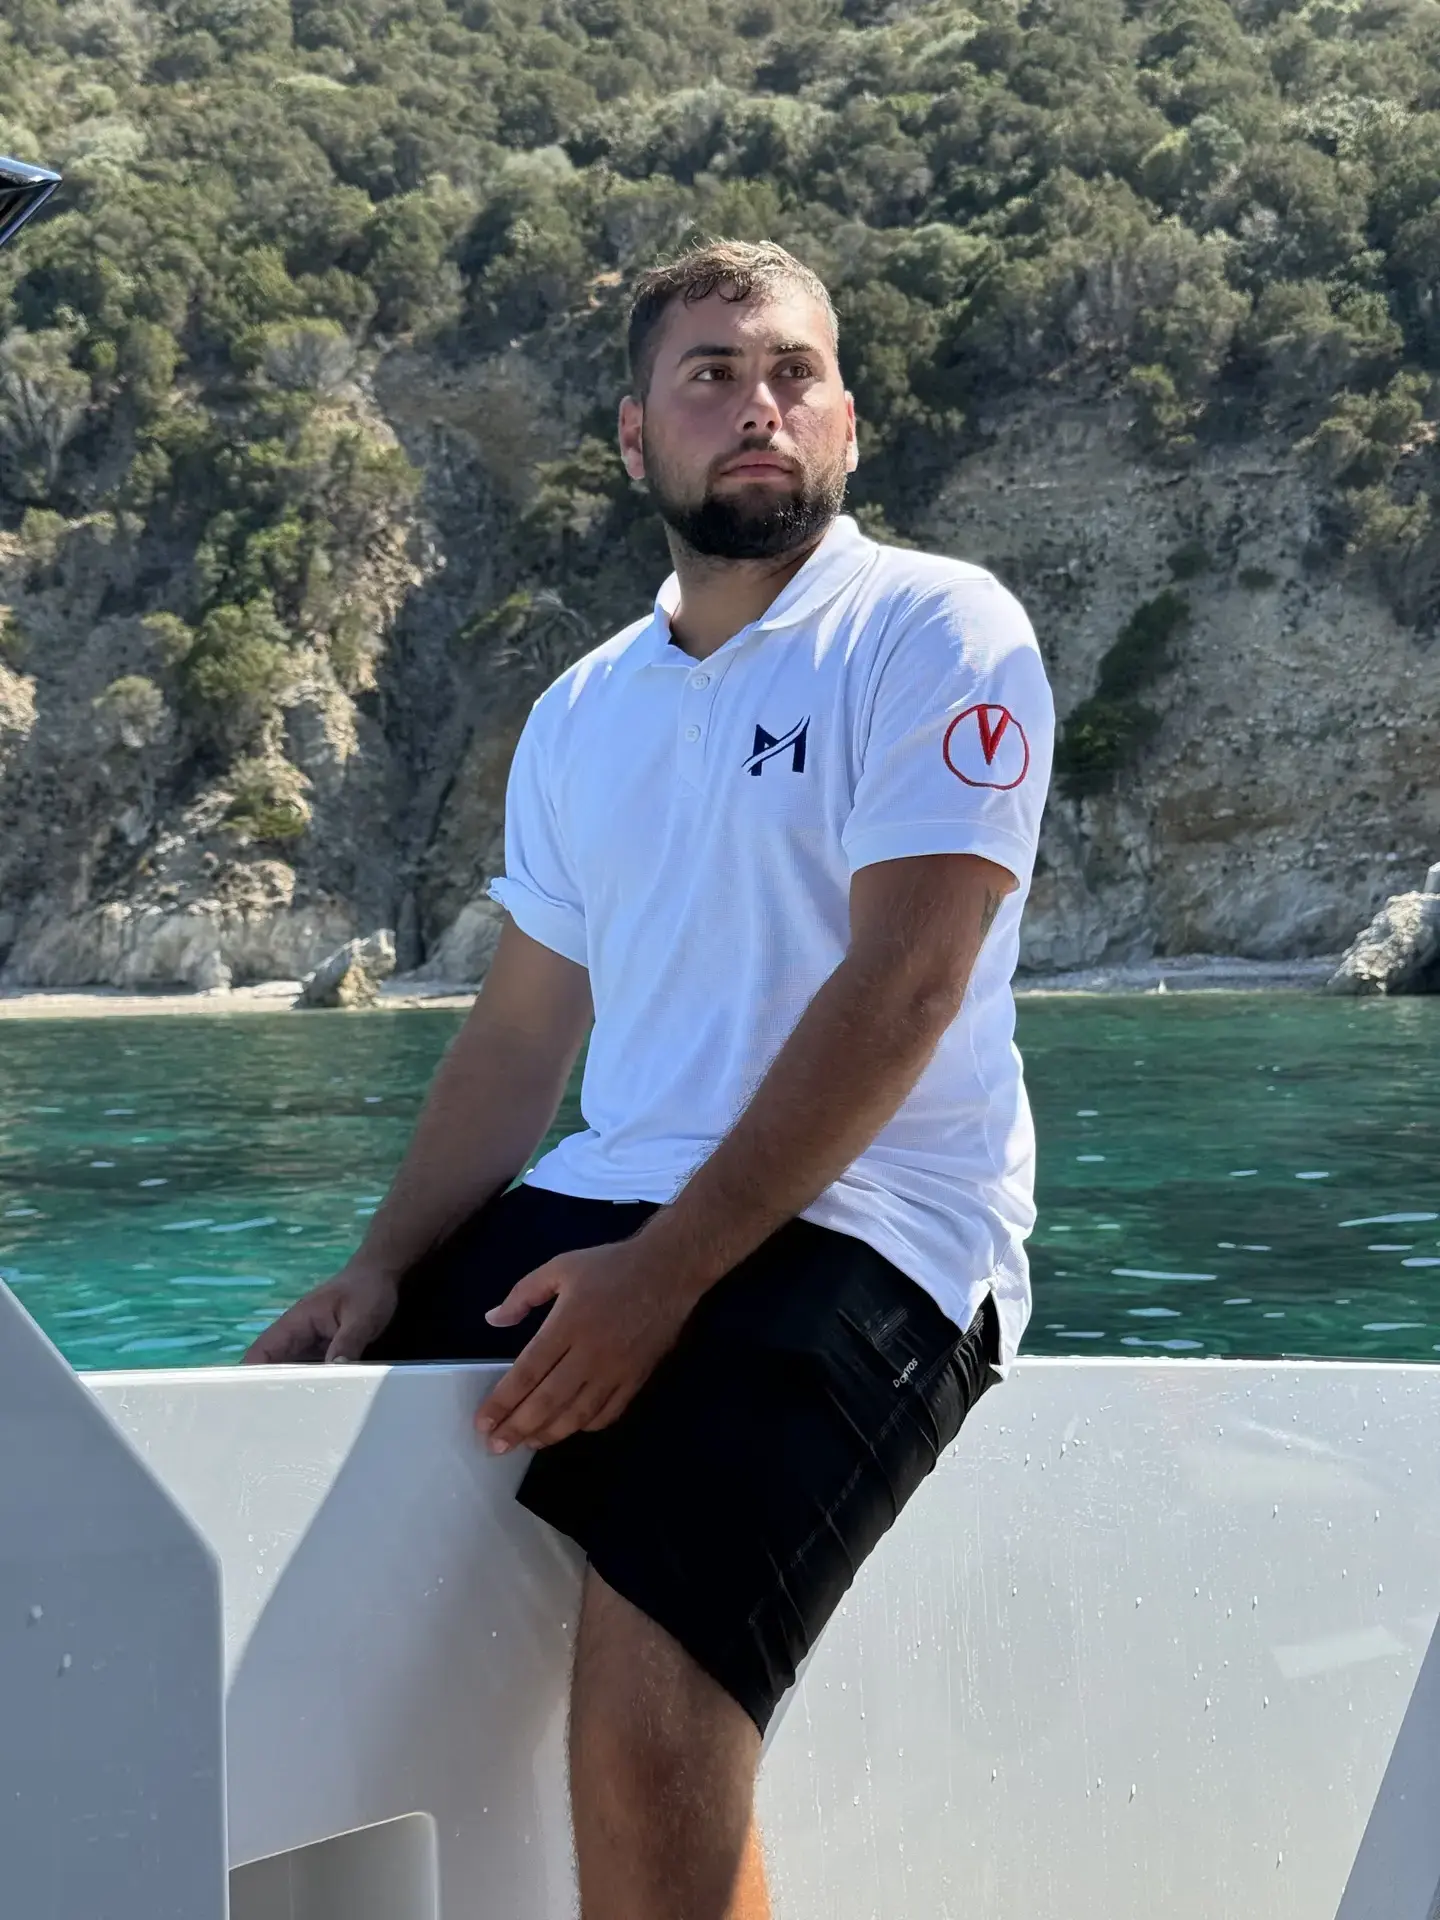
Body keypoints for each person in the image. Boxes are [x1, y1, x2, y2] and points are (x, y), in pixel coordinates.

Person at [245, 238, 1054, 1920]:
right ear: (636, 438)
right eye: (711, 376)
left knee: (654, 1709)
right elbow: (521, 1036)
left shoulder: (935, 629)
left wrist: (664, 1278)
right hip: (608, 1207)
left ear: (845, 420)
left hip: (879, 1224)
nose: (757, 406)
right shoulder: (582, 709)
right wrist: (385, 1267)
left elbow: (905, 987)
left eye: (792, 376)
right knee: (273, 1506)